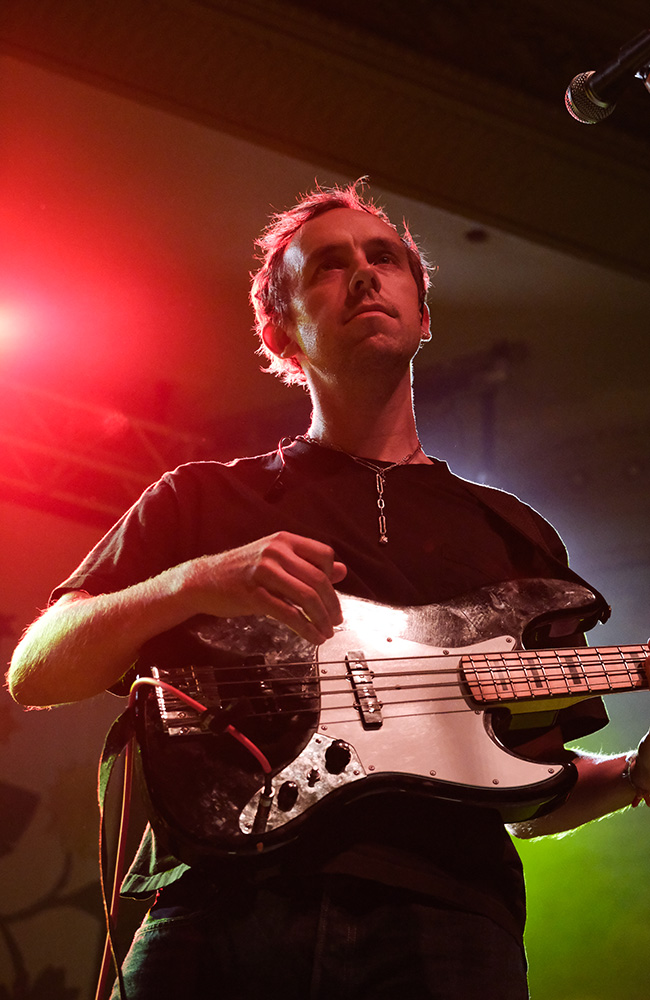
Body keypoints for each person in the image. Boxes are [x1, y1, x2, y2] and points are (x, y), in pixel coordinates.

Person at [8, 181, 650, 1000]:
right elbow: (38, 669)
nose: (363, 275)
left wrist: (633, 774)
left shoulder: (516, 538)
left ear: (424, 316)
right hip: (219, 906)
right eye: (328, 267)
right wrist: (202, 580)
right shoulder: (200, 499)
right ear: (281, 330)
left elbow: (532, 784)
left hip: (448, 923)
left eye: (384, 259)